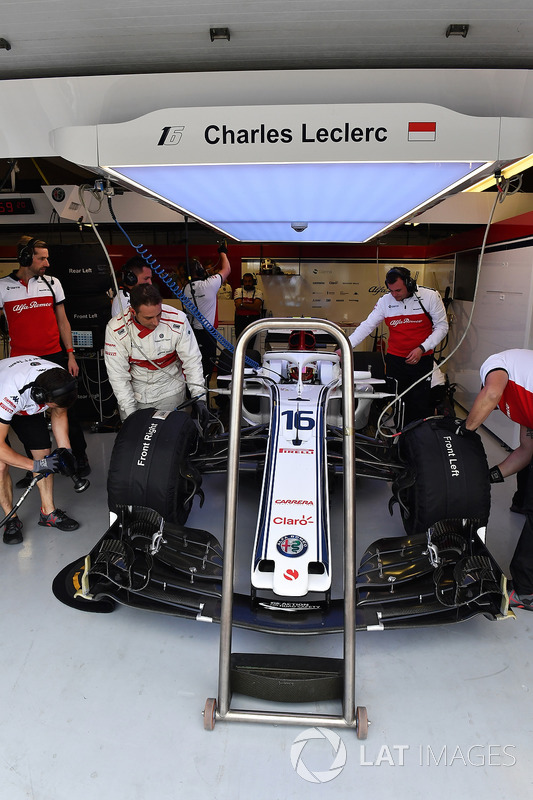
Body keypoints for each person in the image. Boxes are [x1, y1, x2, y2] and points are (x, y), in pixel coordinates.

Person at [0, 235, 90, 482]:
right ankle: (36, 467)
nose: (47, 263)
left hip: (54, 357)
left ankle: (77, 459)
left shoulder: (52, 283)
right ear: (25, 258)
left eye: (47, 258)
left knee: (65, 408)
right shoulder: (2, 287)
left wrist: (70, 354)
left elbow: (63, 320)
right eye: (41, 258)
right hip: (21, 362)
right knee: (28, 418)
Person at [461, 348, 533, 612]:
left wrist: (465, 430)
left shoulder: (494, 363)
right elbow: (526, 451)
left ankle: (527, 592)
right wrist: (491, 475)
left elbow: (491, 394)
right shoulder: (526, 404)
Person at [340, 267, 448, 425]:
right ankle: (400, 435)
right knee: (398, 401)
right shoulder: (385, 301)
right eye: (391, 291)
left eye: (398, 290)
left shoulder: (430, 296)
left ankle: (418, 437)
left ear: (409, 284)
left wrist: (422, 348)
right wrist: (345, 346)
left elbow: (442, 327)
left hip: (422, 359)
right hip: (395, 360)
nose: (394, 295)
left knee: (419, 403)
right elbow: (367, 326)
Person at [0, 356, 80, 544]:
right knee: (1, 466)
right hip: (4, 397)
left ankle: (48, 513)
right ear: (40, 397)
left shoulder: (60, 380)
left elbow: (59, 414)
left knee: (45, 452)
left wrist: (65, 450)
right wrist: (37, 465)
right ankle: (10, 519)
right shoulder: (9, 391)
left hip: (26, 404)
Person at [104, 283, 208, 426]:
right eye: (148, 318)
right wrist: (129, 412)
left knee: (171, 440)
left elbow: (192, 361)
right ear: (133, 312)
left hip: (171, 391)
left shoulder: (178, 320)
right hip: (136, 395)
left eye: (159, 314)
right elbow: (118, 376)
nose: (156, 321)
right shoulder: (116, 329)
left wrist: (199, 397)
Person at [182, 243, 231, 381]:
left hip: (194, 334)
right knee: (208, 367)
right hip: (208, 334)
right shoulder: (209, 284)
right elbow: (227, 269)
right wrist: (223, 253)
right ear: (200, 270)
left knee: (194, 365)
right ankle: (204, 393)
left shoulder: (185, 289)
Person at [233, 273, 264, 348]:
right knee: (240, 344)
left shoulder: (258, 292)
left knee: (251, 345)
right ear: (243, 282)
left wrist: (242, 304)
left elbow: (256, 307)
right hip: (240, 320)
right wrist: (251, 305)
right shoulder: (238, 290)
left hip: (253, 320)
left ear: (253, 282)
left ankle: (249, 359)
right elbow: (237, 305)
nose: (247, 284)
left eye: (249, 281)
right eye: (245, 281)